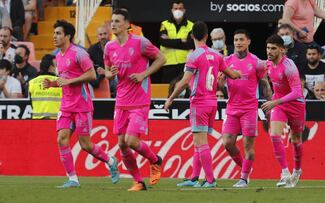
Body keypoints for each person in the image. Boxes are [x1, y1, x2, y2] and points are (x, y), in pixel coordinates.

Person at [43, 20, 119, 188]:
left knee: (85, 145)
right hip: (66, 106)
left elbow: (92, 75)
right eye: (54, 33)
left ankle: (110, 160)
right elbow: (64, 80)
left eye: (58, 33)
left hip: (82, 105)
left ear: (67, 36)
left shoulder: (79, 53)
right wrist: (53, 83)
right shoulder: (58, 56)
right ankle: (73, 179)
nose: (54, 36)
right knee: (61, 140)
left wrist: (70, 81)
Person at [164, 21, 241, 188]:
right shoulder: (217, 55)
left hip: (199, 102)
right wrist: (239, 73)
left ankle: (211, 180)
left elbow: (185, 82)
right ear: (207, 36)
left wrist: (171, 98)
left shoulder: (193, 56)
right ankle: (194, 178)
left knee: (201, 142)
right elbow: (232, 75)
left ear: (192, 36)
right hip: (212, 102)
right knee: (198, 141)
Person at [104, 9, 166, 191]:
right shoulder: (109, 47)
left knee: (131, 141)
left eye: (117, 21)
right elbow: (107, 71)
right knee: (122, 144)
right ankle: (138, 181)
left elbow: (161, 59)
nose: (113, 24)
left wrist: (143, 74)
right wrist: (110, 74)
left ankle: (155, 160)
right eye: (112, 21)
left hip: (139, 100)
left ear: (126, 24)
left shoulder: (140, 43)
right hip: (121, 101)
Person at [220, 29, 268, 188]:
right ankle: (245, 170)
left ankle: (243, 178)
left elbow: (265, 83)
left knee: (248, 145)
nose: (238, 43)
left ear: (248, 41)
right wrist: (220, 82)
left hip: (249, 108)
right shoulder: (226, 61)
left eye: (241, 39)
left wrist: (271, 104)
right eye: (236, 40)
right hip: (232, 108)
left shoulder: (256, 62)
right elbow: (219, 85)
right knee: (228, 143)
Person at [261, 34, 305, 188]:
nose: (269, 51)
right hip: (279, 104)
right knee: (274, 135)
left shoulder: (289, 66)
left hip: (296, 105)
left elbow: (297, 92)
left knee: (296, 140)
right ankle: (285, 173)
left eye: (273, 48)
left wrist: (275, 101)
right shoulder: (267, 64)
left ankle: (297, 171)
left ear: (282, 50)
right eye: (268, 48)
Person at [158, 0, 194, 83]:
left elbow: (190, 44)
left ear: (184, 10)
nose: (178, 10)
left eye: (180, 8)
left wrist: (170, 41)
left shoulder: (191, 25)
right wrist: (181, 40)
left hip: (185, 64)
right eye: (175, 8)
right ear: (172, 10)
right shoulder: (164, 24)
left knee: (185, 92)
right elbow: (163, 42)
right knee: (167, 91)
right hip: (168, 63)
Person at [29, 54, 61, 119]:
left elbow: (31, 103)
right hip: (57, 122)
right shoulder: (61, 82)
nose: (58, 68)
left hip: (37, 122)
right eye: (56, 65)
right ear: (50, 67)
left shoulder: (32, 82)